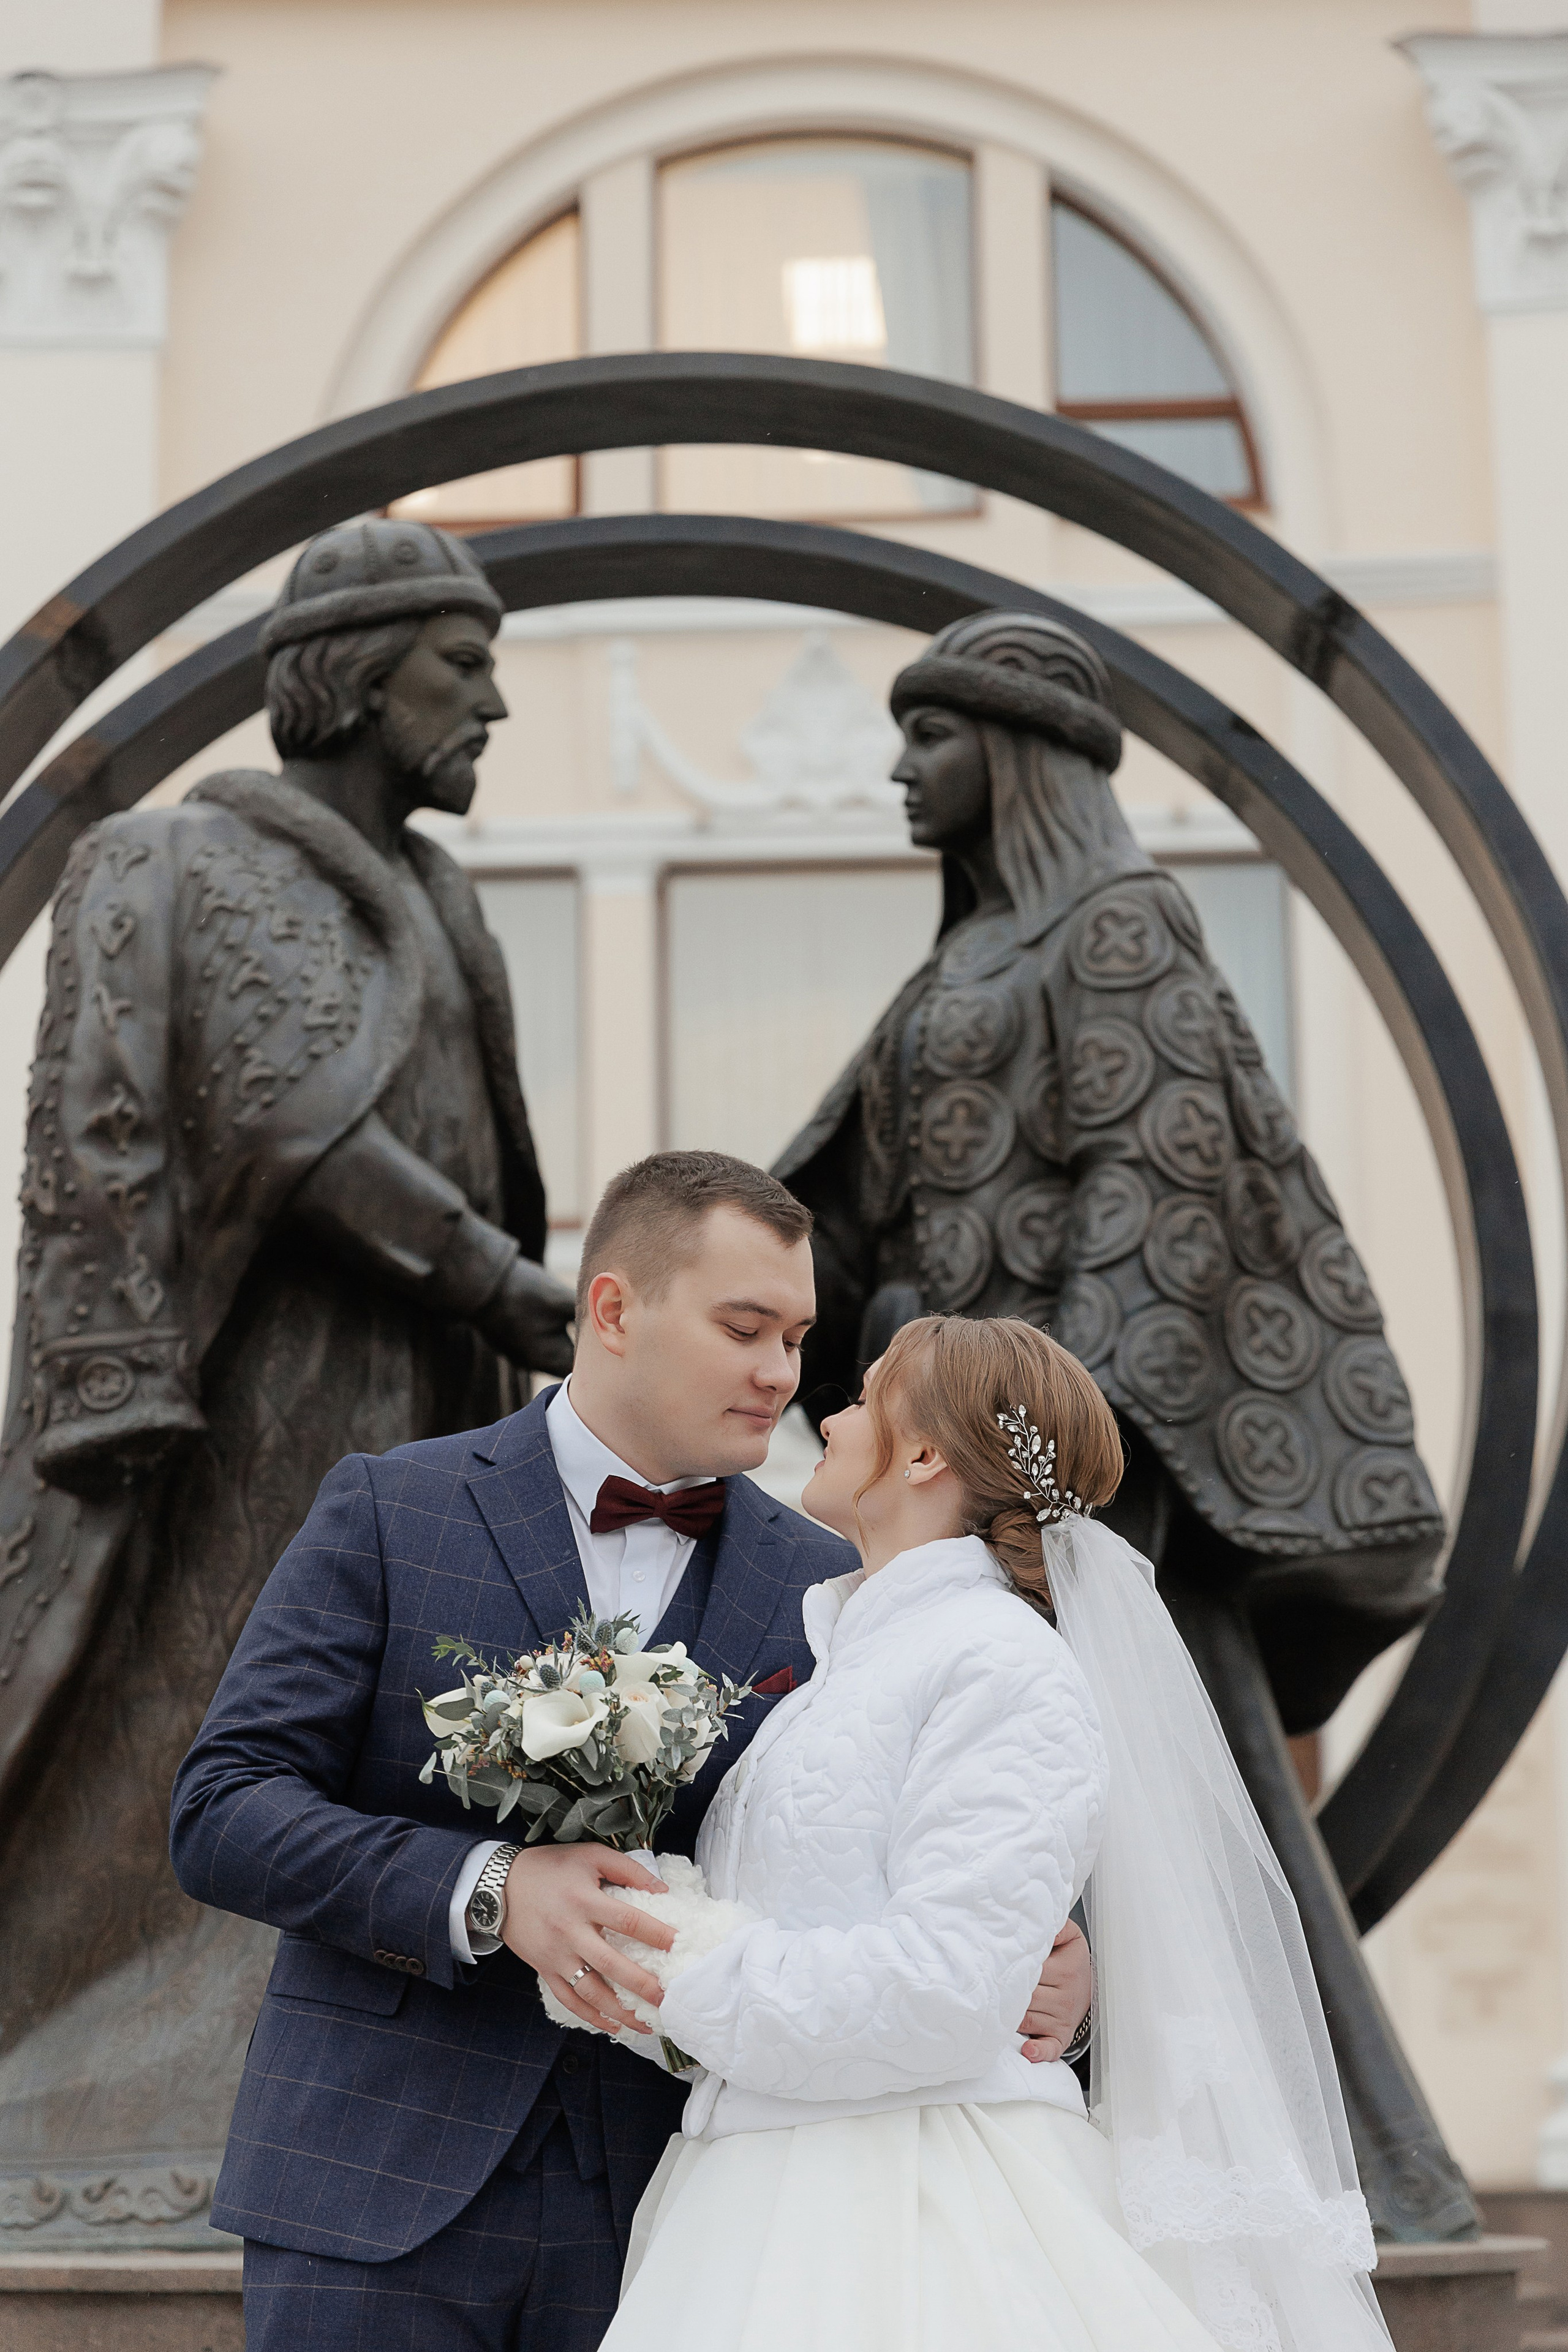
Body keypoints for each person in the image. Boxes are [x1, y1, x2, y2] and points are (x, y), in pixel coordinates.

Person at [170, 1151, 1092, 2350]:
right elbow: (224, 1810)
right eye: (745, 1328)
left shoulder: (839, 1586)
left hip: (686, 2221)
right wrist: (486, 1889)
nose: (781, 1378)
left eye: (798, 1339)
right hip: (372, 2188)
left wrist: (1062, 1967)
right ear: (612, 1309)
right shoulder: (392, 1509)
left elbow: (939, 1836)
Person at [0, 516, 575, 2212]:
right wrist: (496, 1277)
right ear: (350, 673)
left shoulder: (438, 892)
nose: (491, 704)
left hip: (431, 1393)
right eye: (461, 667)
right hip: (266, 1399)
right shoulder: (199, 860)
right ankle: (144, 2089)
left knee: (405, 1722)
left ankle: (355, 2055)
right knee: (235, 1709)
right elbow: (284, 1122)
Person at [600, 1314, 1392, 2352]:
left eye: (864, 1395)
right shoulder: (848, 1666)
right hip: (755, 2182)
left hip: (919, 2207)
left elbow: (940, 1994)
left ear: (924, 1454)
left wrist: (675, 1973)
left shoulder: (1002, 1667)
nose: (827, 1416)